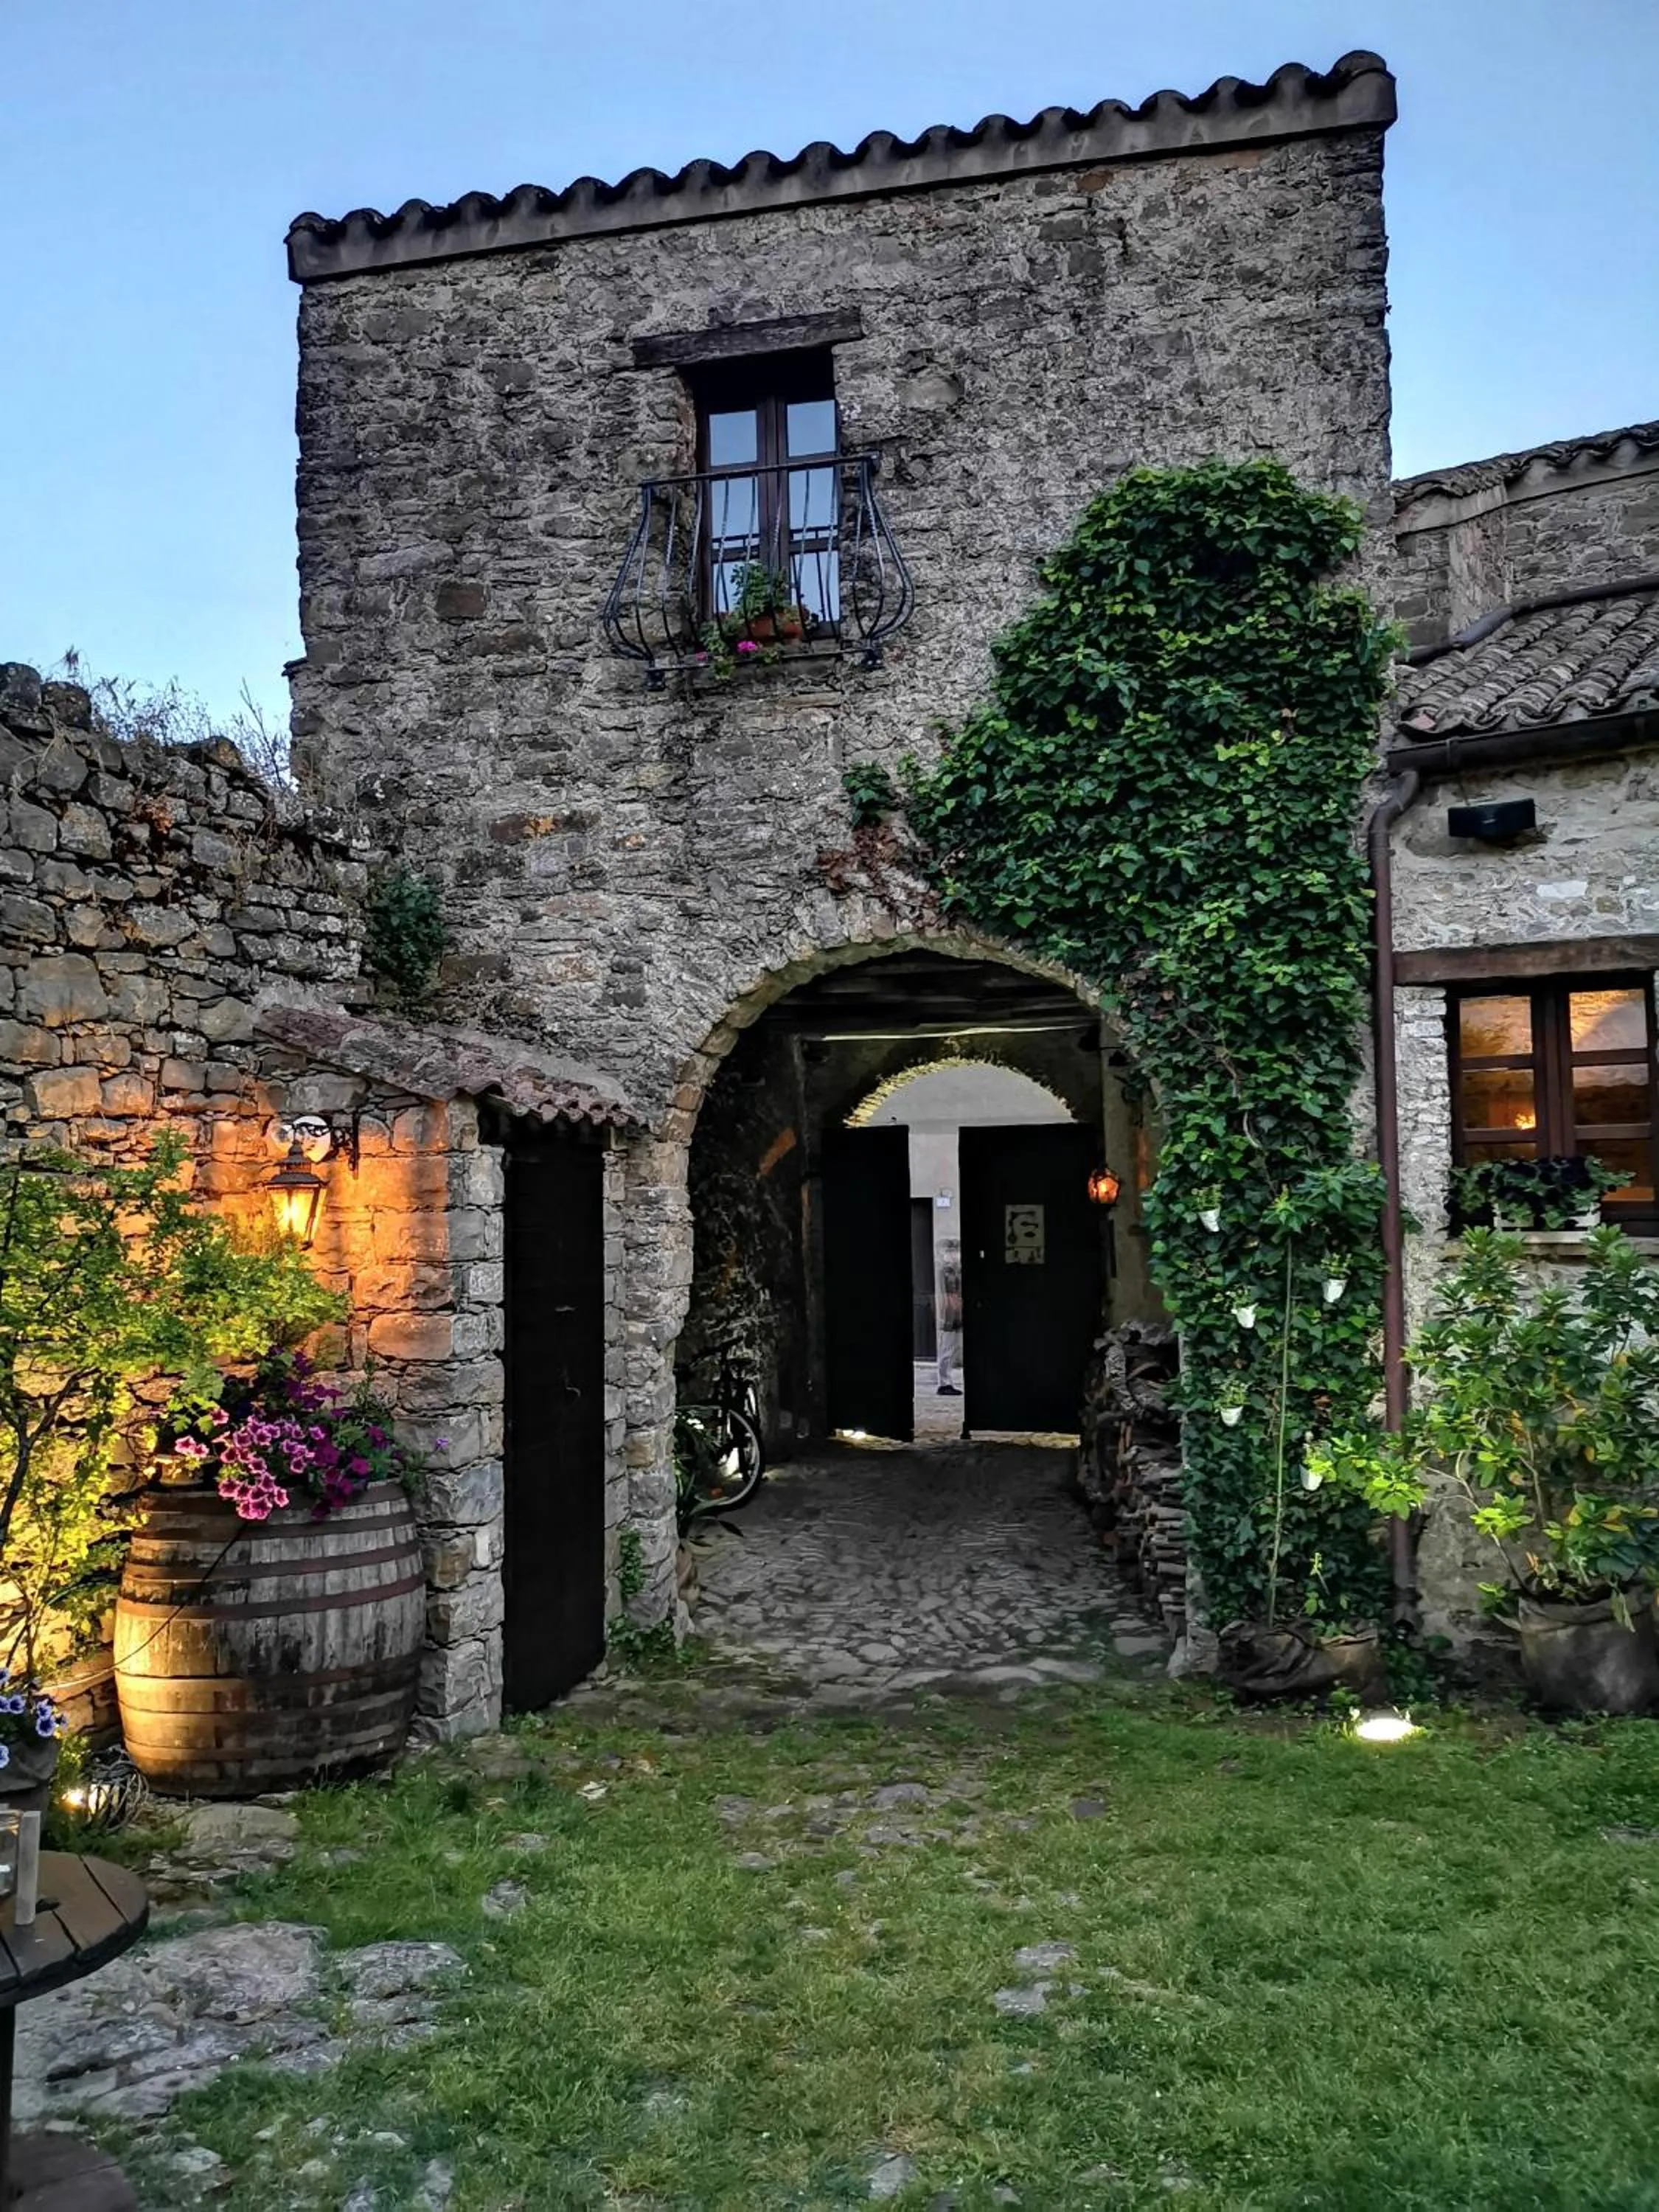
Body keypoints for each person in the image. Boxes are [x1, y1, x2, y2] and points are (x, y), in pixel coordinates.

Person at [936, 1239, 963, 1396]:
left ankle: (946, 1381)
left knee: (953, 1347)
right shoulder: (945, 1271)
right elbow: (947, 1294)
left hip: (955, 1308)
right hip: (950, 1311)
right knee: (947, 1348)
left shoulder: (954, 1270)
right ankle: (944, 1382)